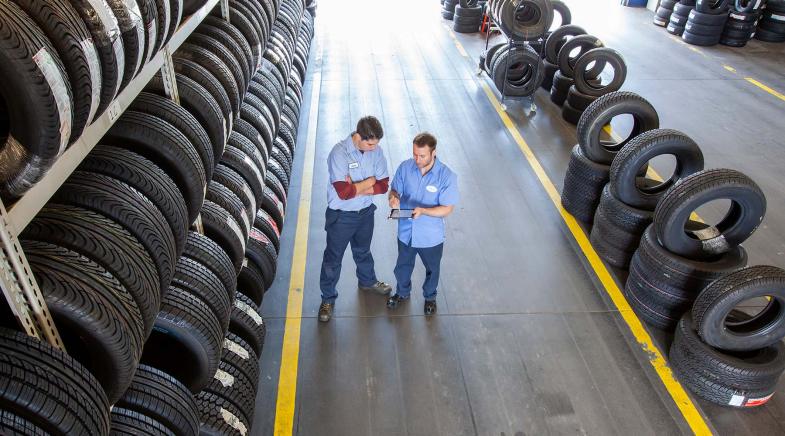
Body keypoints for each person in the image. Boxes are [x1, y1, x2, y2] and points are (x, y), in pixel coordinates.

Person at [318, 116, 393, 322]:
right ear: (358, 136)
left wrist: (358, 188)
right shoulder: (339, 153)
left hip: (365, 213)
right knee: (333, 260)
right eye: (370, 144)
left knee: (363, 251)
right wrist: (369, 182)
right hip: (341, 217)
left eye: (376, 144)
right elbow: (343, 192)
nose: (373, 148)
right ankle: (328, 299)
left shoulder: (376, 151)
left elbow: (384, 185)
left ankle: (367, 281)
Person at [386, 132, 459, 315]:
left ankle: (430, 297)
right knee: (403, 265)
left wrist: (425, 211)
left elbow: (447, 208)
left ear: (433, 153)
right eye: (415, 154)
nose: (417, 159)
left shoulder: (446, 176)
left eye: (422, 156)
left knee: (432, 269)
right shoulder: (405, 168)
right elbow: (394, 189)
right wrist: (393, 198)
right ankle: (402, 293)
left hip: (430, 236)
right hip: (406, 231)